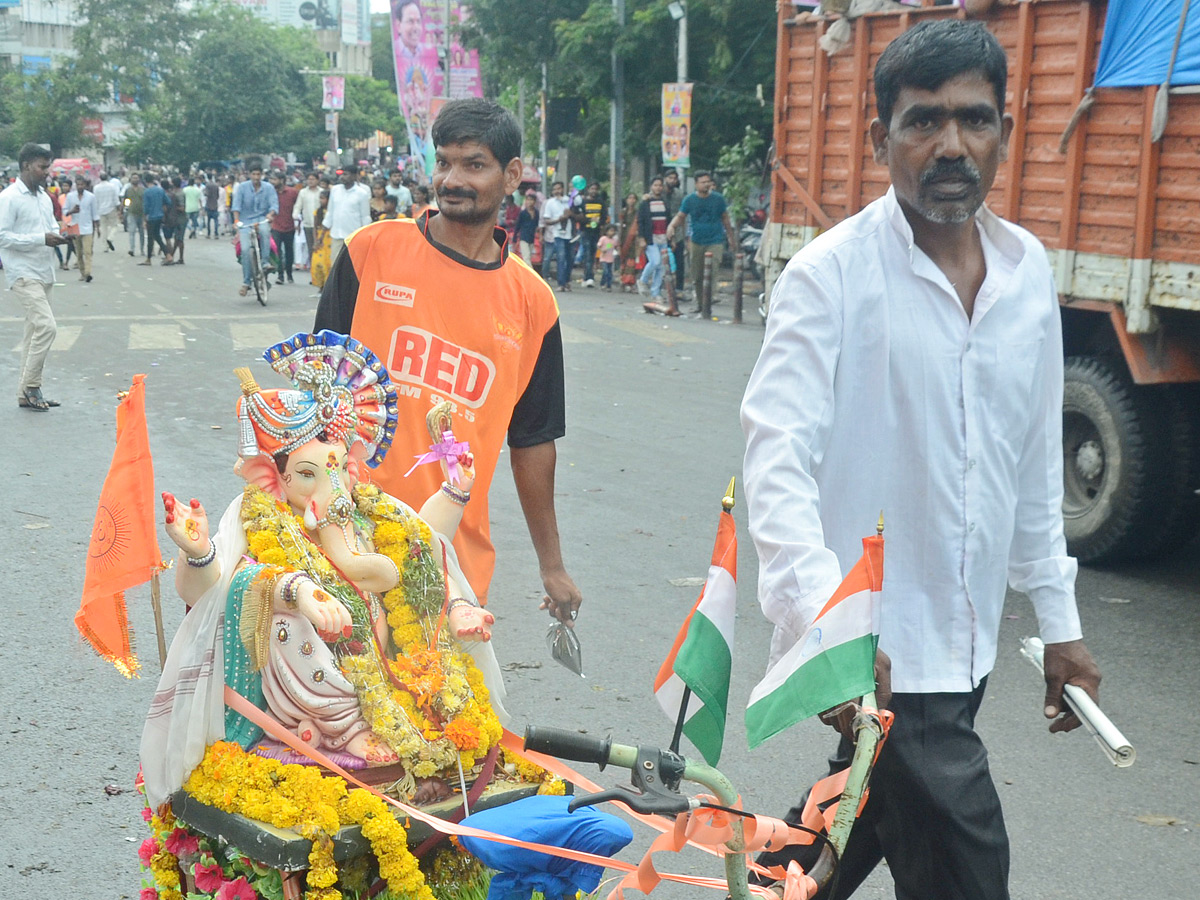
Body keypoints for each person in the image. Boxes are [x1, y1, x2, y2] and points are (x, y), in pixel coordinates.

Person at [740, 21, 1101, 900]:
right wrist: (823, 634)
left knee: (838, 832)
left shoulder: (1026, 276)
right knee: (971, 877)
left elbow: (1029, 469)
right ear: (881, 140)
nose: (951, 145)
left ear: (1005, 133)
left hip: (965, 650)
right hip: (884, 654)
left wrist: (1061, 624)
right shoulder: (831, 276)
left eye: (974, 120)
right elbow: (775, 456)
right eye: (922, 122)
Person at [314, 97, 582, 623]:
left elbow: (532, 442)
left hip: (450, 564)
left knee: (439, 704)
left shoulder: (533, 304)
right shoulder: (371, 252)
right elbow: (315, 391)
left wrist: (552, 564)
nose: (452, 179)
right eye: (444, 162)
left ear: (512, 176)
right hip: (342, 539)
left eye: (473, 165)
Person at [0, 143, 72, 412]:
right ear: (27, 165)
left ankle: (23, 393)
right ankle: (32, 386)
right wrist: (40, 238)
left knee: (32, 334)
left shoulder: (43, 197)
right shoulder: (8, 198)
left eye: (48, 167)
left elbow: (50, 228)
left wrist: (59, 236)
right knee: (47, 327)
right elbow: (2, 236)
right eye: (42, 167)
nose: (46, 172)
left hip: (44, 271)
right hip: (22, 273)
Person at [666, 171, 737, 312]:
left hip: (715, 240)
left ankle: (708, 302)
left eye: (708, 182)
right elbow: (681, 216)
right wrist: (671, 226)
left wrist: (731, 237)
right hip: (697, 241)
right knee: (697, 275)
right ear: (696, 184)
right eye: (703, 182)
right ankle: (700, 304)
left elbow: (725, 219)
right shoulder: (689, 200)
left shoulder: (718, 199)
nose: (706, 184)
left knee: (712, 272)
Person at [231, 160, 278, 296]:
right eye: (254, 174)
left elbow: (274, 205)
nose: (256, 177)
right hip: (245, 221)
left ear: (261, 175)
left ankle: (264, 263)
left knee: (265, 232)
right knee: (245, 250)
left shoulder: (268, 187)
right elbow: (236, 206)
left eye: (258, 174)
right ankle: (246, 282)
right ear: (249, 175)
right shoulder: (242, 188)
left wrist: (270, 214)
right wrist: (236, 220)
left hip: (262, 219)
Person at [325, 168, 370, 265]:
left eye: (346, 174)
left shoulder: (362, 193)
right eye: (342, 174)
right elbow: (330, 210)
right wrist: (325, 227)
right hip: (336, 234)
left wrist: (365, 235)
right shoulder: (335, 190)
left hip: (353, 236)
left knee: (352, 265)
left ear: (354, 176)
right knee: (335, 264)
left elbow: (365, 216)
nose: (343, 177)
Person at [636, 176, 669, 300]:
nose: (658, 188)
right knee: (655, 261)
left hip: (663, 237)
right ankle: (643, 280)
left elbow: (669, 219)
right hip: (651, 238)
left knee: (661, 267)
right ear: (651, 187)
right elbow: (640, 220)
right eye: (655, 185)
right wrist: (641, 238)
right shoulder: (645, 203)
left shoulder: (665, 202)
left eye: (660, 185)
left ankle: (656, 292)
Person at [540, 181, 573, 291]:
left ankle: (567, 281)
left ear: (563, 189)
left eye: (559, 188)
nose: (557, 191)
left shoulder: (569, 201)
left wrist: (570, 214)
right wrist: (559, 219)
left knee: (570, 258)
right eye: (555, 189)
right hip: (557, 234)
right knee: (561, 257)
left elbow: (578, 215)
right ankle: (561, 283)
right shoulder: (550, 203)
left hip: (570, 234)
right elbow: (547, 220)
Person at [65, 175, 99, 282]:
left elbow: (95, 214)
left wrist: (97, 228)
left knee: (88, 251)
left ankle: (88, 273)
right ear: (75, 185)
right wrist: (72, 211)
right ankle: (83, 273)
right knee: (79, 253)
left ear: (85, 185)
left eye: (82, 184)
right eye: (78, 184)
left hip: (88, 227)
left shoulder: (91, 197)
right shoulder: (70, 196)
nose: (80, 186)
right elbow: (64, 211)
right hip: (75, 227)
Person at [270, 171, 298, 285]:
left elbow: (298, 207)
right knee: (278, 252)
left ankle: (289, 274)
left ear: (282, 180)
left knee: (289, 252)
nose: (272, 182)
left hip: (289, 226)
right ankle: (280, 275)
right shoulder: (271, 193)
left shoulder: (292, 192)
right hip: (276, 226)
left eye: (275, 179)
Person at [578, 182, 608, 288]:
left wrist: (600, 224)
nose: (594, 191)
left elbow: (604, 217)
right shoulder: (583, 202)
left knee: (592, 254)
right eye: (592, 188)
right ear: (588, 190)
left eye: (596, 189)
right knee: (587, 254)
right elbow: (579, 216)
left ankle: (588, 276)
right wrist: (588, 220)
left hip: (596, 232)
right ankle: (588, 277)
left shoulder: (601, 202)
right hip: (585, 231)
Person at [662, 169, 686, 294]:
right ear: (665, 178)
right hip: (660, 230)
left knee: (679, 261)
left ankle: (679, 288)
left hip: (677, 230)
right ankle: (662, 286)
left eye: (674, 178)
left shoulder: (679, 194)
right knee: (662, 259)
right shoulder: (658, 192)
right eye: (670, 178)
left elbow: (683, 215)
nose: (672, 180)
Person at [139, 175, 171, 265]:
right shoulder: (160, 190)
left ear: (145, 181)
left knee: (150, 238)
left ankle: (149, 259)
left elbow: (146, 207)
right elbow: (168, 202)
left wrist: (144, 219)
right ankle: (167, 255)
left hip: (151, 217)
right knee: (157, 236)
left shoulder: (147, 192)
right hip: (160, 216)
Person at [295, 172, 323, 268]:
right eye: (309, 179)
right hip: (308, 224)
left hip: (321, 225)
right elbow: (298, 206)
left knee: (321, 247)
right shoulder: (303, 192)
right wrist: (295, 217)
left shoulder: (322, 192)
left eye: (313, 179)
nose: (310, 181)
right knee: (311, 247)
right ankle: (313, 269)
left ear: (317, 180)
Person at [93, 172, 121, 252]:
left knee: (103, 228)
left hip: (100, 210)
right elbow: (115, 199)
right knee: (115, 226)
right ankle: (110, 238)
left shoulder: (96, 187)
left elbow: (95, 200)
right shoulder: (112, 186)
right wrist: (118, 208)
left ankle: (105, 247)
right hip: (111, 209)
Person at [309, 189, 332, 288]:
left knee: (327, 265)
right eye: (320, 198)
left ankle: (327, 287)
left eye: (323, 198)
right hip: (319, 240)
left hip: (329, 239)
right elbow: (315, 227)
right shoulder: (317, 212)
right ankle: (320, 286)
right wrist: (315, 241)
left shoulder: (332, 212)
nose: (321, 200)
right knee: (317, 263)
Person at [618, 192, 640, 291]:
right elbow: (620, 227)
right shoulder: (623, 212)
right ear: (626, 200)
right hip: (624, 238)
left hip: (634, 239)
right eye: (630, 198)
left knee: (632, 260)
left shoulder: (637, 213)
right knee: (623, 259)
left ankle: (630, 282)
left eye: (633, 198)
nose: (631, 200)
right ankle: (623, 281)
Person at [164, 176, 188, 265]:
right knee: (178, 239)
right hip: (176, 218)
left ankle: (174, 256)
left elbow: (182, 208)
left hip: (180, 219)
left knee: (179, 239)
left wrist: (173, 207)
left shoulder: (180, 194)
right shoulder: (176, 193)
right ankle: (176, 257)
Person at [124, 172, 146, 257]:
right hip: (131, 213)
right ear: (131, 179)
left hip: (142, 214)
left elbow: (145, 201)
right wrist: (126, 208)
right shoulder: (128, 190)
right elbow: (126, 200)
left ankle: (142, 250)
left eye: (136, 178)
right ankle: (132, 249)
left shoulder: (143, 190)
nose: (135, 179)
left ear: (139, 179)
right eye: (133, 178)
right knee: (131, 232)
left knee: (142, 233)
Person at [515, 189, 539, 262]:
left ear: (534, 202)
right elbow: (518, 225)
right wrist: (515, 238)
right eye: (527, 200)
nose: (529, 202)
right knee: (526, 258)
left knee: (529, 257)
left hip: (531, 237)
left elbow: (537, 224)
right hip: (524, 237)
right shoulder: (523, 213)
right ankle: (531, 273)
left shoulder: (537, 212)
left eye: (531, 200)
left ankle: (526, 272)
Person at [597, 224, 618, 291]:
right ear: (606, 231)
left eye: (614, 231)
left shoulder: (614, 240)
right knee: (605, 271)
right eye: (611, 231)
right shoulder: (603, 239)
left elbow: (615, 247)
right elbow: (598, 246)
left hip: (610, 259)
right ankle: (602, 284)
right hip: (603, 258)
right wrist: (602, 250)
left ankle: (609, 286)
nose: (612, 233)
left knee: (609, 273)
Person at [203, 174, 221, 238]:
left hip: (209, 204)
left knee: (208, 220)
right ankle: (216, 233)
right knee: (216, 220)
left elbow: (206, 194)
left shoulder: (207, 185)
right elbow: (218, 196)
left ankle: (208, 234)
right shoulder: (216, 185)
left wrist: (204, 192)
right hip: (215, 204)